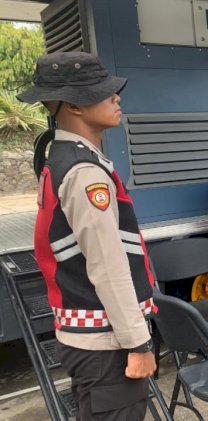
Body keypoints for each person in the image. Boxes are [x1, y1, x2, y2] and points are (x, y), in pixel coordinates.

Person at [18, 51, 157, 419]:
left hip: (89, 340)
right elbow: (108, 267)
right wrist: (139, 342)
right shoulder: (85, 172)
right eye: (104, 92)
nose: (116, 98)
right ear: (73, 105)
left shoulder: (61, 158)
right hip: (106, 345)